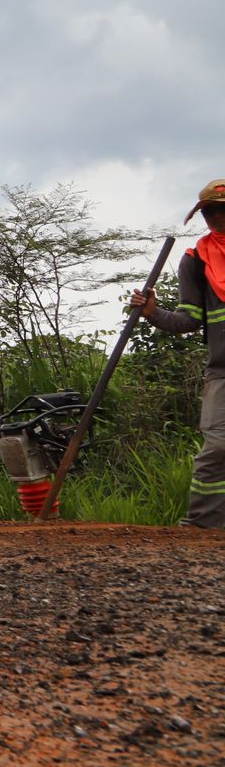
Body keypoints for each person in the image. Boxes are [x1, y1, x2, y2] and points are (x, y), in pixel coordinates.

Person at [130, 177, 225, 528]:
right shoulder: (196, 260)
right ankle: (202, 526)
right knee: (217, 447)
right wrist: (152, 312)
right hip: (222, 372)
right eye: (210, 211)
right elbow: (189, 320)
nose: (217, 217)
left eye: (222, 210)